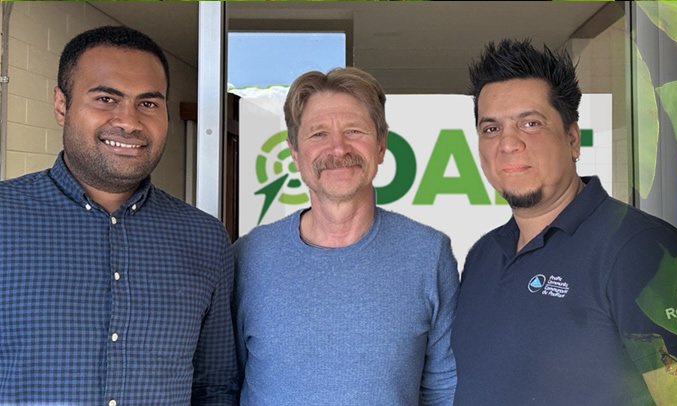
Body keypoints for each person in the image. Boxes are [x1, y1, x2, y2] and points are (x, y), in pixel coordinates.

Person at [452, 39, 677, 405]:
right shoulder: (482, 256)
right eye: (491, 129)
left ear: (572, 138)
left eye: (531, 123)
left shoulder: (640, 248)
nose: (508, 143)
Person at [0, 25, 237, 404]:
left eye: (148, 103)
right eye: (106, 98)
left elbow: (215, 387)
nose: (129, 121)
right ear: (62, 105)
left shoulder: (205, 239)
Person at [232, 67, 458, 404]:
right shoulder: (248, 257)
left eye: (354, 130)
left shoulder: (428, 254)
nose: (338, 148)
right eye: (318, 134)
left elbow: (444, 391)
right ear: (295, 152)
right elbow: (222, 384)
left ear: (381, 145)